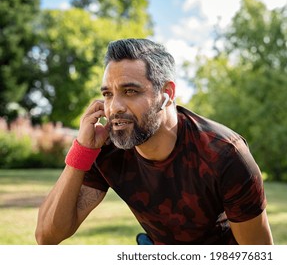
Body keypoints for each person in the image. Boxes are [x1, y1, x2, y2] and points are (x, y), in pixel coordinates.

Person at [35, 38, 273, 245]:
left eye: (130, 91)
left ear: (167, 94)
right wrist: (82, 150)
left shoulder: (224, 155)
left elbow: (258, 253)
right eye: (108, 94)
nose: (114, 107)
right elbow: (47, 236)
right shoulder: (106, 148)